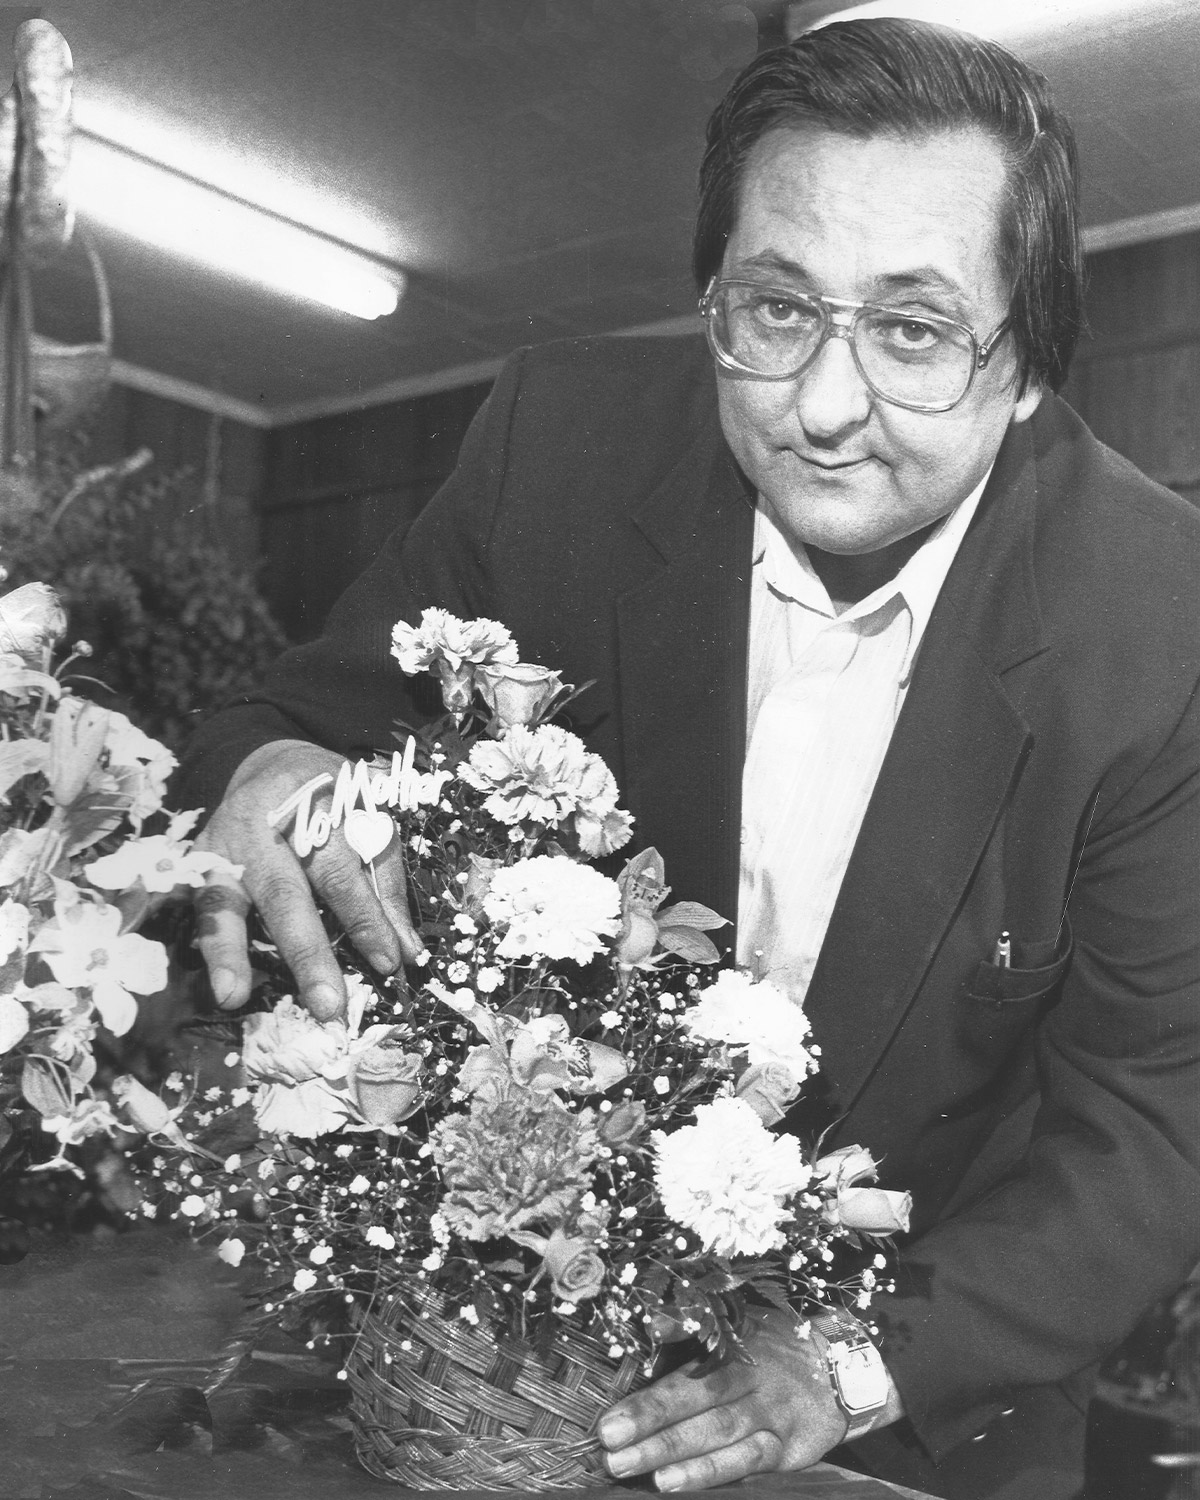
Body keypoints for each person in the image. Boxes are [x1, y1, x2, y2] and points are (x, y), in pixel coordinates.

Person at [176, 18, 1200, 1500]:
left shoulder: (1162, 623)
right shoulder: (561, 447)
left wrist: (839, 1359)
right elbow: (298, 717)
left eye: (914, 331)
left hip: (918, 1398)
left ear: (1030, 365)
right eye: (777, 310)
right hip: (494, 1357)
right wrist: (273, 772)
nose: (825, 408)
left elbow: (1151, 1129)